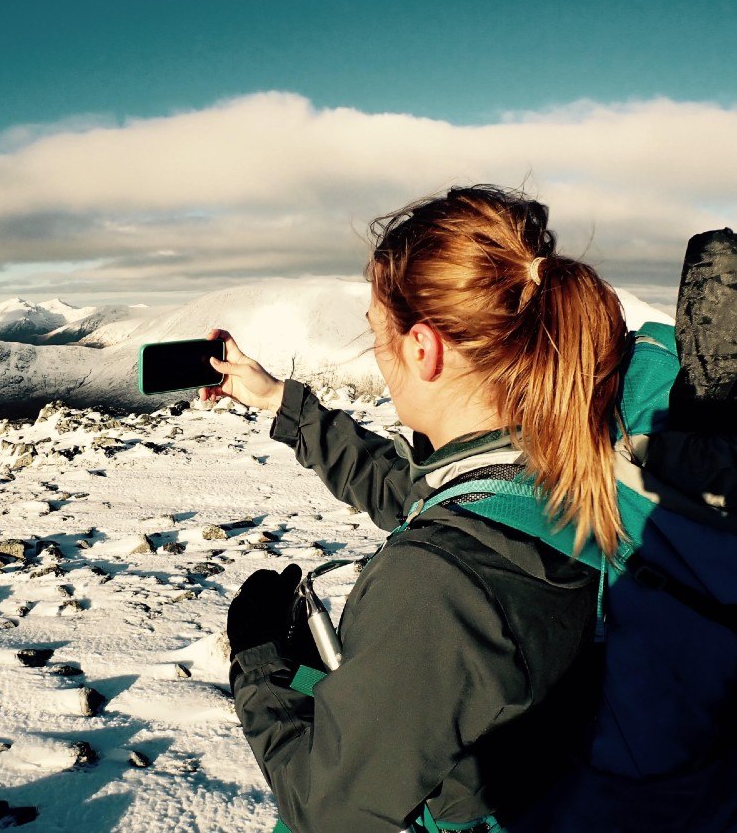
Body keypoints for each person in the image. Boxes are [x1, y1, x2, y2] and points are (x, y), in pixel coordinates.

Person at [198, 186, 633, 832]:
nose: (377, 352)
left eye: (378, 332)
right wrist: (279, 403)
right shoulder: (570, 459)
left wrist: (260, 667)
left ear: (423, 348)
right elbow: (414, 493)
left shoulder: (434, 587)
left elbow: (334, 810)